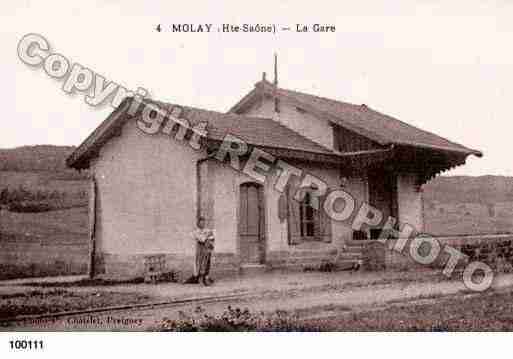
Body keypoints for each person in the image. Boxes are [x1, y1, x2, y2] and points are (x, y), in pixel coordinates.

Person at [190, 217, 215, 286]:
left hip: (207, 250)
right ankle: (200, 278)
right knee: (200, 263)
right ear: (198, 224)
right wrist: (207, 236)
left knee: (207, 263)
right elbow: (201, 239)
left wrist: (208, 237)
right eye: (201, 223)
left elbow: (212, 237)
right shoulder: (196, 231)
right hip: (200, 250)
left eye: (203, 222)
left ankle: (206, 277)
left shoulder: (206, 230)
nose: (202, 224)